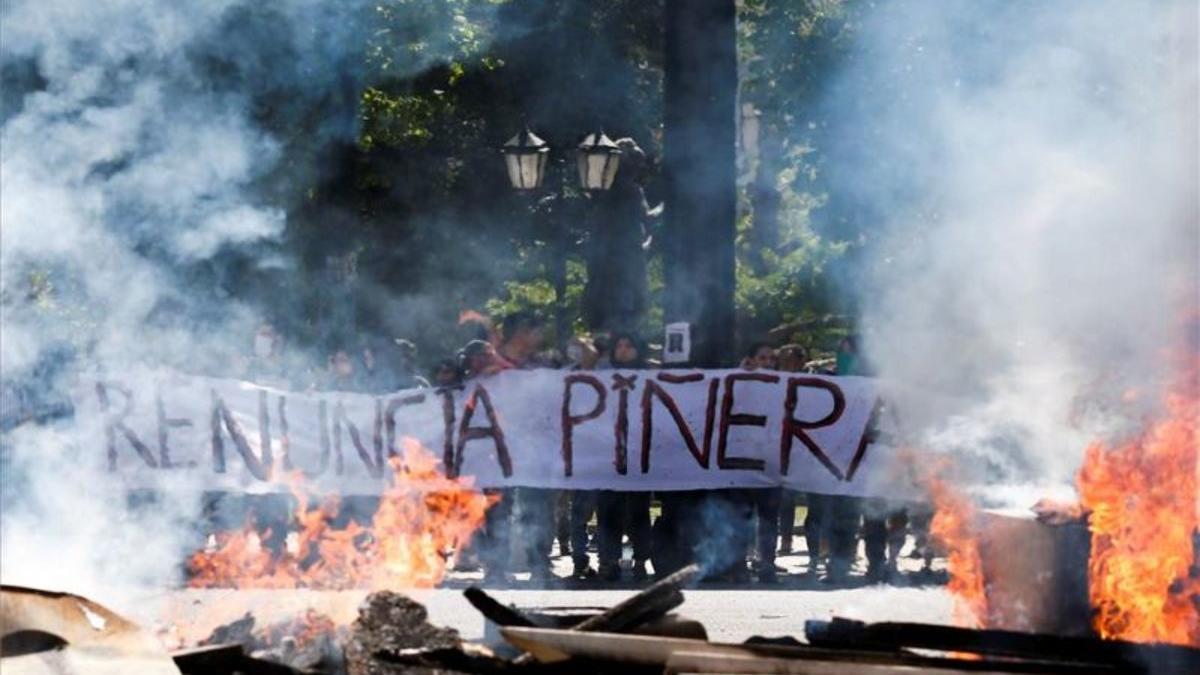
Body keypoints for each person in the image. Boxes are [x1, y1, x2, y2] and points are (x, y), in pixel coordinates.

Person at [594, 333, 654, 582]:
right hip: (608, 454)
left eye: (628, 344)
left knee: (639, 511)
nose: (623, 349)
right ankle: (608, 561)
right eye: (619, 344)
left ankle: (640, 561)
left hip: (639, 454)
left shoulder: (651, 378)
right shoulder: (602, 378)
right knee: (608, 510)